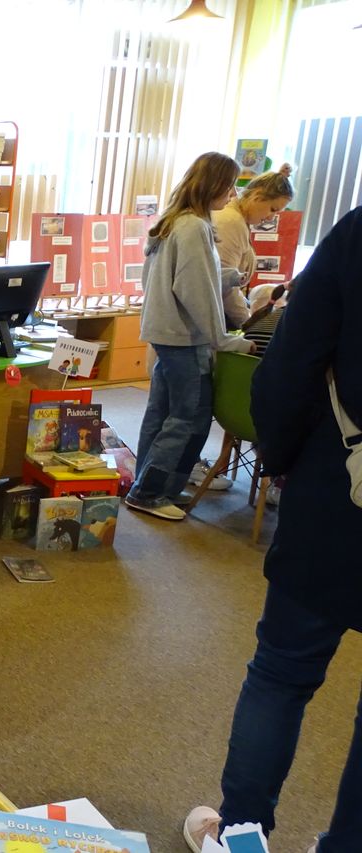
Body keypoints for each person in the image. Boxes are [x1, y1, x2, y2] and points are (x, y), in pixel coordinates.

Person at [184, 206, 362, 853]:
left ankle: (240, 834)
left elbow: (288, 370)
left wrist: (283, 462)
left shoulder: (356, 237)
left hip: (337, 495)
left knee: (282, 673)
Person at [125, 151, 254, 522]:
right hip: (185, 338)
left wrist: (229, 278)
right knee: (189, 418)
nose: (232, 194)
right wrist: (224, 340)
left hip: (166, 333)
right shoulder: (195, 227)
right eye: (229, 186)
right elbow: (195, 291)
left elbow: (184, 279)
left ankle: (150, 485)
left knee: (161, 414)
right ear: (213, 184)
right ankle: (150, 492)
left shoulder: (174, 221)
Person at [212, 164, 295, 329]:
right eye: (272, 209)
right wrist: (248, 325)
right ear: (257, 196)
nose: (271, 218)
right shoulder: (231, 221)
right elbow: (224, 284)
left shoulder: (238, 219)